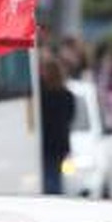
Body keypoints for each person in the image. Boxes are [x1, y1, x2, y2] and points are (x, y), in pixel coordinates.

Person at [39, 53, 76, 194]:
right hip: (61, 142)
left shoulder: (43, 96)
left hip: (46, 142)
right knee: (56, 175)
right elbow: (70, 117)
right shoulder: (67, 95)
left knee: (48, 176)